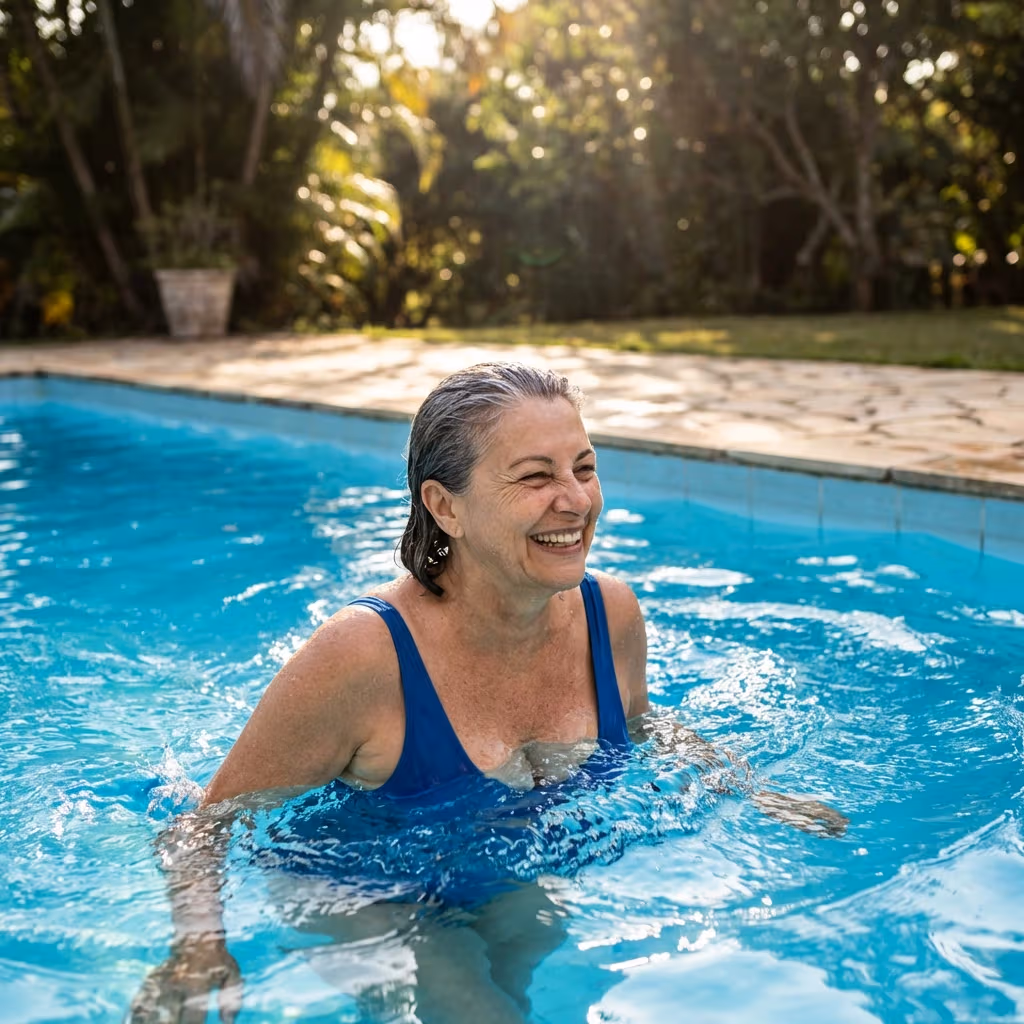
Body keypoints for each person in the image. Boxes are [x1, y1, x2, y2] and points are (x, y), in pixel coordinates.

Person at [130, 362, 845, 1024]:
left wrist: (750, 790)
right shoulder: (363, 656)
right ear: (446, 506)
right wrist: (198, 946)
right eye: (535, 477)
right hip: (354, 889)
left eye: (585, 467)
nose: (576, 500)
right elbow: (203, 823)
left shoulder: (611, 615)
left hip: (500, 870)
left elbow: (642, 722)